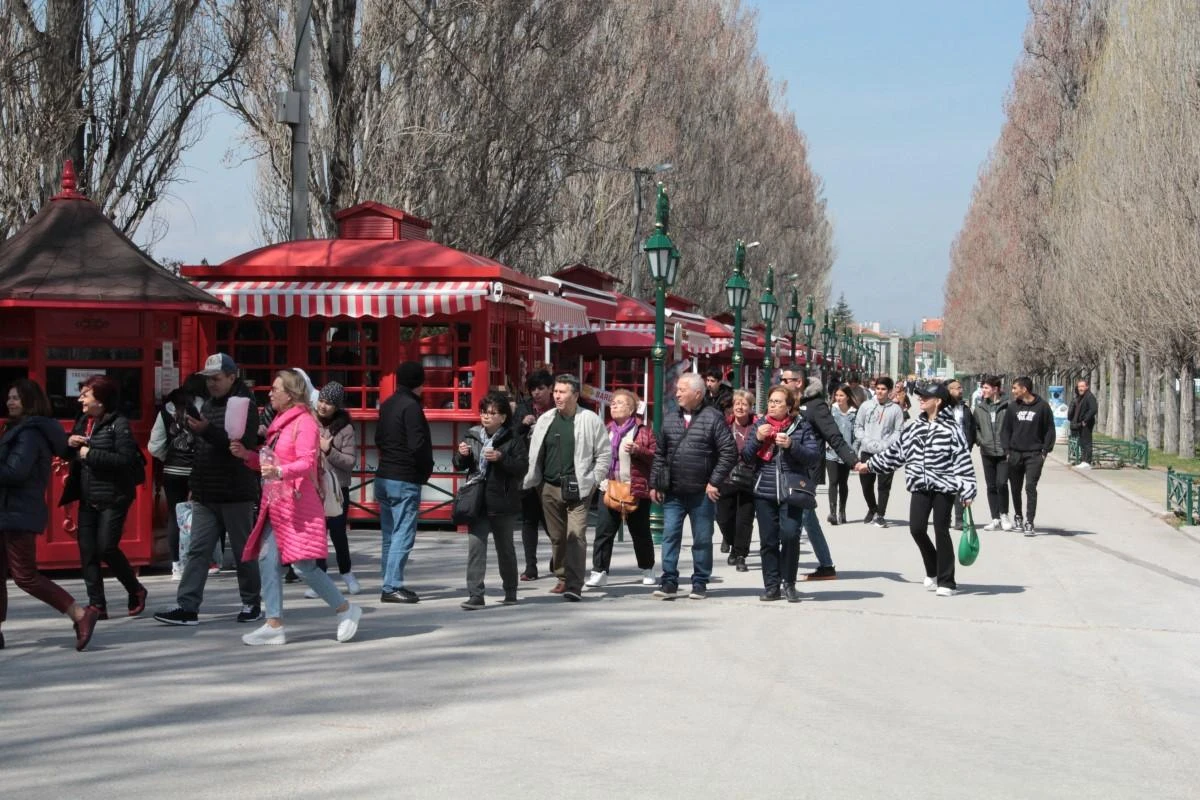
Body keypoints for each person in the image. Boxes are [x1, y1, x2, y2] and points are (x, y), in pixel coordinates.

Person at [232, 370, 362, 645]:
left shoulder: (305, 423)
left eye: (275, 389)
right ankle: (274, 623)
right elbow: (273, 462)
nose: (269, 393)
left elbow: (305, 462)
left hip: (297, 506)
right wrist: (248, 457)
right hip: (278, 502)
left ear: (289, 395)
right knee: (268, 560)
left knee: (304, 567)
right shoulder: (281, 423)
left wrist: (278, 471)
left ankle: (346, 609)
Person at [155, 354, 262, 626]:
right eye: (208, 379)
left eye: (216, 379)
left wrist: (206, 431)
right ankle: (187, 606)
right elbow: (203, 448)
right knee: (197, 550)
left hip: (235, 491)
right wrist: (195, 484)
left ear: (231, 377)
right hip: (205, 491)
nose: (211, 384)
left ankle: (252, 602)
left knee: (243, 551)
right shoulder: (209, 405)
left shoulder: (244, 405)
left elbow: (242, 445)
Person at [0, 379, 99, 651]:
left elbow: (16, 472)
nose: (10, 402)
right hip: (7, 510)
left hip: (17, 512)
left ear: (31, 402)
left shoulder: (29, 433)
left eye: (16, 398)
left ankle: (80, 614)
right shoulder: (19, 429)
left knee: (25, 576)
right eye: (9, 397)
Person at [855, 383, 977, 596]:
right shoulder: (914, 427)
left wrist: (967, 490)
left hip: (944, 487)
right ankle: (933, 569)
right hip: (919, 485)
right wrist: (870, 465)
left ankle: (947, 581)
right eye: (920, 396)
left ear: (938, 401)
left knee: (941, 530)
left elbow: (962, 459)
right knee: (917, 529)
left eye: (925, 397)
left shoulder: (951, 429)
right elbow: (895, 453)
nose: (921, 399)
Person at [61, 374, 148, 621]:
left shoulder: (118, 423)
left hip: (115, 495)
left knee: (106, 547)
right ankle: (97, 604)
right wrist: (70, 442)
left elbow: (125, 460)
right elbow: (72, 453)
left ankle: (136, 589)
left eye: (85, 394)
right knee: (87, 550)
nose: (81, 399)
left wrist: (90, 454)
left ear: (100, 399)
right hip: (88, 495)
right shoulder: (84, 421)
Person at [649, 373, 737, 600]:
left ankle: (700, 581)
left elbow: (729, 452)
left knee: (702, 539)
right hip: (674, 492)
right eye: (677, 389)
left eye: (682, 390)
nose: (677, 393)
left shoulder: (713, 418)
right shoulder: (669, 419)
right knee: (670, 536)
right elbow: (660, 454)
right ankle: (668, 581)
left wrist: (714, 482)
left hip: (702, 493)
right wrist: (655, 484)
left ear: (697, 393)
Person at [522, 374, 610, 601]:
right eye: (556, 392)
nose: (557, 396)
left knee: (576, 535)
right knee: (558, 536)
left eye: (562, 392)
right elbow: (535, 453)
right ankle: (561, 576)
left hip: (579, 487)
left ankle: (574, 584)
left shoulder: (590, 420)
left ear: (575, 395)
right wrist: (537, 483)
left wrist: (593, 481)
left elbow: (603, 454)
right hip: (549, 487)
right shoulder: (546, 419)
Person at [744, 385, 822, 602]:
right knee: (768, 540)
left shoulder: (801, 426)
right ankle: (771, 586)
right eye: (770, 401)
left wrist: (792, 445)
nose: (773, 405)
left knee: (790, 535)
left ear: (788, 407)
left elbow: (813, 456)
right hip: (765, 490)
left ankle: (789, 583)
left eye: (778, 402)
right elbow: (746, 456)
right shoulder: (760, 425)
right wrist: (758, 438)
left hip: (792, 489)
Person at [453, 391, 529, 608]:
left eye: (492, 413)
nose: (486, 417)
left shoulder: (513, 439)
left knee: (505, 548)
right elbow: (459, 464)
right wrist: (463, 455)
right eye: (484, 412)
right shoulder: (472, 435)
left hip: (502, 500)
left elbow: (521, 468)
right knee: (476, 548)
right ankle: (476, 594)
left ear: (503, 417)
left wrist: (501, 458)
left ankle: (510, 590)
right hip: (477, 500)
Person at [376, 361, 434, 604]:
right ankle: (392, 585)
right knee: (403, 532)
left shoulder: (388, 404)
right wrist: (425, 470)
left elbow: (379, 438)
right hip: (404, 477)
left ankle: (388, 580)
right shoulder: (411, 407)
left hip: (384, 474)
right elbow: (417, 445)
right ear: (420, 382)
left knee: (390, 533)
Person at [587, 389, 657, 588]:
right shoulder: (606, 430)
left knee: (640, 532)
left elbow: (656, 456)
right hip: (609, 487)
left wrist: (638, 450)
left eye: (619, 403)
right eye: (613, 403)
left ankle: (648, 568)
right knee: (604, 531)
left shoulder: (643, 431)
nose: (614, 406)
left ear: (631, 409)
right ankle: (599, 571)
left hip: (634, 488)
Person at [794, 376, 858, 580]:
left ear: (798, 382)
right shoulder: (785, 402)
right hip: (785, 470)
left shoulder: (815, 406)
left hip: (806, 472)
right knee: (807, 518)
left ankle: (786, 566)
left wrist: (853, 461)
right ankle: (826, 565)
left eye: (787, 379)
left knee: (799, 517)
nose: (781, 380)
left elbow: (834, 437)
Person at [310, 382, 361, 596]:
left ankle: (347, 573)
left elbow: (350, 462)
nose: (323, 406)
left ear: (337, 406)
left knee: (338, 533)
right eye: (321, 401)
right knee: (317, 534)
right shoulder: (309, 422)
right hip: (313, 486)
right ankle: (319, 578)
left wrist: (329, 450)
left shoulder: (345, 428)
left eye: (329, 403)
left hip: (337, 488)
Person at [148, 384, 202, 580]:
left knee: (174, 516)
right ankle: (197, 561)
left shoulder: (164, 413)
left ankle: (176, 565)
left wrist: (168, 457)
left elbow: (154, 446)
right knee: (200, 515)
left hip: (172, 471)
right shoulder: (201, 409)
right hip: (197, 471)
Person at [1001, 376, 1056, 536]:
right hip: (1015, 454)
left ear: (1024, 389)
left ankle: (1030, 521)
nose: (1013, 391)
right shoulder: (1012, 407)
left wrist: (1045, 451)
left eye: (1015, 388)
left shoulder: (1042, 407)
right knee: (1016, 488)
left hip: (1034, 454)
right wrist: (1007, 451)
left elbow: (1049, 430)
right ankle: (1018, 515)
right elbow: (1006, 430)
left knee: (1030, 487)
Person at [514, 370, 553, 581]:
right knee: (529, 520)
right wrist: (522, 424)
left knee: (552, 520)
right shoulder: (524, 408)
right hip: (528, 472)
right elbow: (510, 435)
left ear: (550, 389)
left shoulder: (558, 409)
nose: (536, 393)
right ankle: (530, 566)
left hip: (551, 472)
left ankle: (559, 557)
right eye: (533, 389)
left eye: (541, 389)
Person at [854, 376, 904, 527]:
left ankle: (880, 514)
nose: (880, 392)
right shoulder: (866, 406)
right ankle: (872, 508)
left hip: (887, 453)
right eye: (878, 389)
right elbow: (858, 426)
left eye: (883, 389)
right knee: (866, 484)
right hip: (867, 450)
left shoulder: (895, 409)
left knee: (884, 485)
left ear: (889, 391)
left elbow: (899, 431)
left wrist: (886, 444)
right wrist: (866, 441)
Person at [716, 389, 756, 572]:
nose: (740, 407)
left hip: (749, 478)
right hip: (727, 477)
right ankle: (731, 542)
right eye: (737, 404)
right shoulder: (724, 424)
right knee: (723, 517)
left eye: (744, 404)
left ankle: (740, 554)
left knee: (744, 519)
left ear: (750, 407)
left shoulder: (757, 425)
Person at [972, 376, 1012, 531]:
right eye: (983, 388)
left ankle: (1004, 515)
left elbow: (1013, 426)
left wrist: (1010, 445)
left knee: (1002, 483)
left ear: (995, 389)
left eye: (987, 388)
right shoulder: (980, 408)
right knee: (991, 485)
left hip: (1003, 451)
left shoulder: (1008, 406)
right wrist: (981, 441)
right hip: (987, 450)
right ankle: (995, 518)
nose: (984, 390)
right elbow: (975, 428)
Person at [946, 378, 977, 530]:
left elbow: (971, 428)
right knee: (945, 487)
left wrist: (969, 446)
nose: (961, 390)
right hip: (944, 454)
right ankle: (945, 518)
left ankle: (959, 519)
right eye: (957, 388)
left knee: (960, 487)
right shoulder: (942, 409)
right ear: (949, 391)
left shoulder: (964, 409)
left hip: (961, 454)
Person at [825, 384, 858, 525]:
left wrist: (853, 452)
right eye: (836, 395)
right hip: (831, 452)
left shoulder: (854, 413)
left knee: (843, 482)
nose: (838, 398)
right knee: (833, 481)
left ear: (848, 397)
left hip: (846, 453)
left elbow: (856, 435)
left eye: (841, 395)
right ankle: (832, 512)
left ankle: (842, 511)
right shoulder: (831, 410)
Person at [1068, 378, 1098, 470]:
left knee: (1087, 442)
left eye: (1082, 386)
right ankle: (1083, 460)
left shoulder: (1089, 396)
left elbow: (1093, 409)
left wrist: (1085, 420)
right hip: (1080, 423)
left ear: (1087, 387)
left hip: (1086, 423)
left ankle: (1087, 462)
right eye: (1079, 386)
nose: (1080, 388)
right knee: (1082, 442)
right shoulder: (1082, 397)